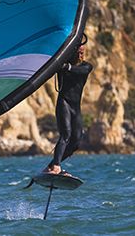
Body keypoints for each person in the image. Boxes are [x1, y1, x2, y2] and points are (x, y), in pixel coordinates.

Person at [43, 40, 93, 175]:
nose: (81, 54)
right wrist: (61, 65)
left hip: (76, 107)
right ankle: (56, 167)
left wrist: (66, 67)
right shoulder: (61, 66)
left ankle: (51, 166)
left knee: (76, 142)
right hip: (64, 103)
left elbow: (80, 71)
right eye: (78, 51)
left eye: (82, 52)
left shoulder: (86, 66)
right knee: (66, 134)